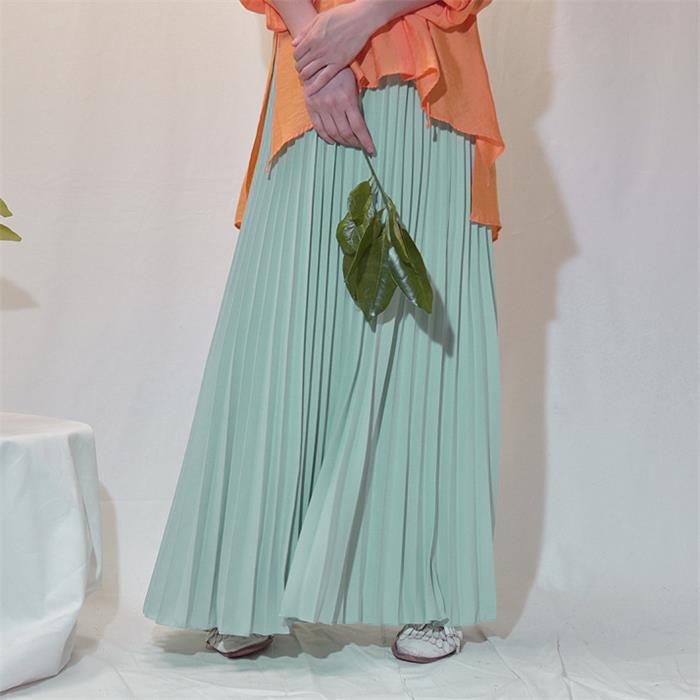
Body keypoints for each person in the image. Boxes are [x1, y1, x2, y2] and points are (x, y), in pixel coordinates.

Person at [143, 0, 505, 664]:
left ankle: (427, 590)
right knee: (282, 322)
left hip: (427, 68)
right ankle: (248, 587)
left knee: (420, 333)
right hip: (309, 68)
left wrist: (363, 19)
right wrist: (320, 53)